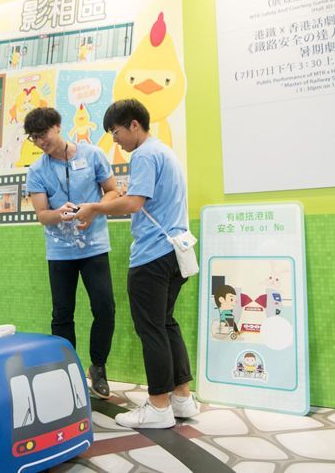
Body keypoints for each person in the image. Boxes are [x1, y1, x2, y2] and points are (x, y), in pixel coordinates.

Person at [75, 99, 199, 428]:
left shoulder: (144, 154)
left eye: (116, 132)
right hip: (175, 253)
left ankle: (158, 406)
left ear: (133, 125)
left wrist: (94, 208)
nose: (115, 140)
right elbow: (141, 197)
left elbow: (132, 203)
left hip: (153, 256)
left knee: (151, 329)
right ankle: (182, 397)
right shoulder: (163, 152)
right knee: (166, 324)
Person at [24, 107, 118, 399]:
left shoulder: (91, 156)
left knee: (105, 308)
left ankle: (98, 367)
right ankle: (67, 370)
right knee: (62, 314)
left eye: (43, 134)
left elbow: (113, 191)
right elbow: (41, 214)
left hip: (94, 247)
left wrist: (94, 210)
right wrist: (58, 214)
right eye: (34, 138)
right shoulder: (37, 171)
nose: (40, 142)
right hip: (60, 252)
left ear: (57, 126)